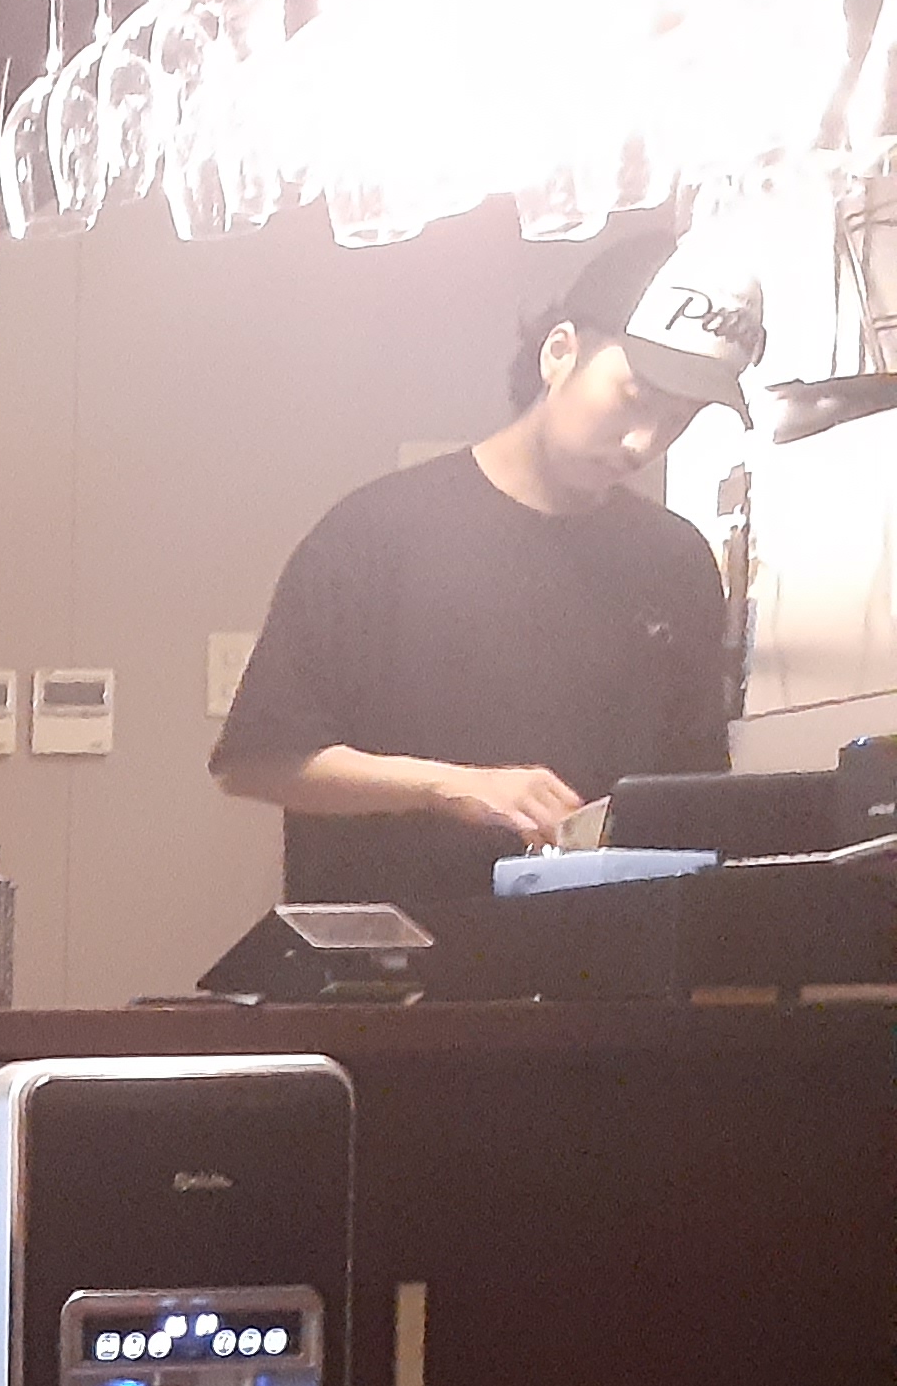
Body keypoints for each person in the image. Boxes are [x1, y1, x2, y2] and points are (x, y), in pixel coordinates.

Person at [210, 224, 757, 947]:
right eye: (633, 397)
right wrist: (454, 786)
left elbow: (695, 797)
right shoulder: (378, 532)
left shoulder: (675, 561)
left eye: (679, 418)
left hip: (604, 977)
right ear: (559, 352)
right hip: (391, 982)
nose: (644, 442)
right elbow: (257, 761)